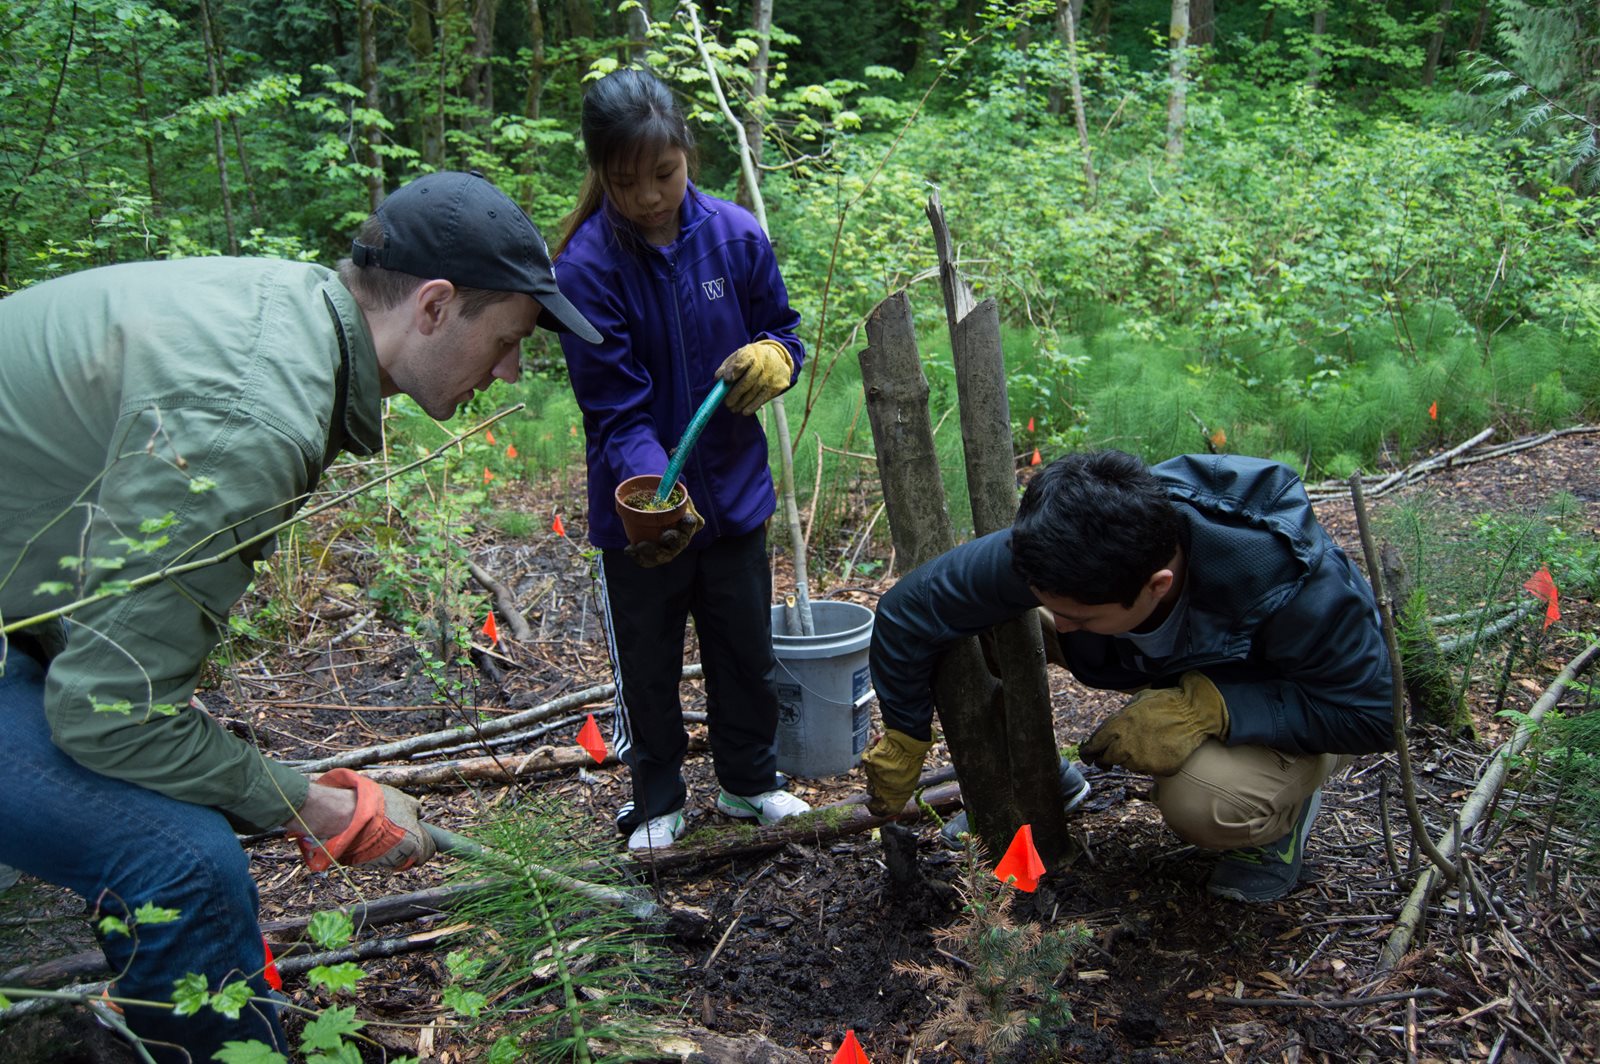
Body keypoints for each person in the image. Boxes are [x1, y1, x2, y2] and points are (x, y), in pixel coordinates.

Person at [0, 170, 599, 1061]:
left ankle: (134, 1028)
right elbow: (107, 716)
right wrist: (309, 805)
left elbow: (87, 602)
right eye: (508, 339)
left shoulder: (280, 312)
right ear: (434, 306)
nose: (511, 371)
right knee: (188, 866)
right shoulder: (252, 415)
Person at [862, 450, 1394, 902]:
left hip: (1287, 696)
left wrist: (1210, 708)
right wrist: (907, 734)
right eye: (1053, 606)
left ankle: (1281, 816)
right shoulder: (1079, 541)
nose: (1060, 626)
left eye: (1080, 618)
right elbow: (910, 610)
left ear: (1157, 585)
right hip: (1165, 654)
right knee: (979, 623)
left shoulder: (1296, 588)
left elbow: (1373, 716)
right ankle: (1040, 781)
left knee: (1205, 801)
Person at [553, 67, 811, 851]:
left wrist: (777, 357)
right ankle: (659, 796)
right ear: (602, 172)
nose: (648, 196)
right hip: (642, 515)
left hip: (735, 495)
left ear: (686, 155)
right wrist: (653, 495)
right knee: (650, 658)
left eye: (663, 175)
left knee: (745, 651)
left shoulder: (734, 236)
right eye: (626, 181)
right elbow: (615, 408)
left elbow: (786, 331)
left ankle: (749, 783)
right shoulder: (586, 268)